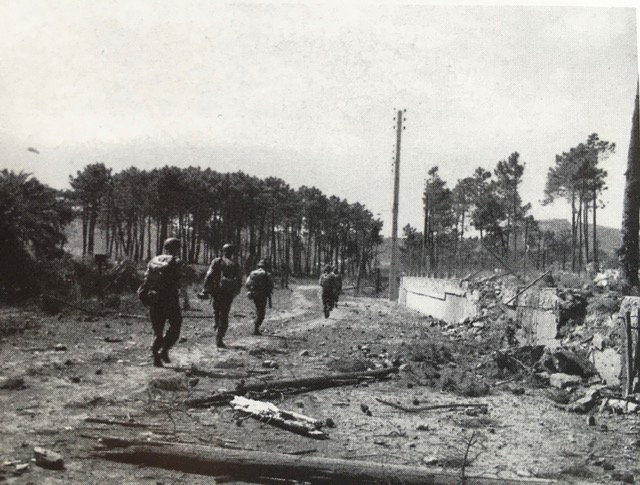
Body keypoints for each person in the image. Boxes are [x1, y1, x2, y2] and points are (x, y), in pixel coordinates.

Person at [138, 237, 184, 368]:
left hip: (154, 298)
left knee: (157, 330)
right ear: (177, 249)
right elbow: (180, 282)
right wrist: (185, 300)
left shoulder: (154, 260)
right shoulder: (177, 262)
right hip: (170, 299)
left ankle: (156, 355)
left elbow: (146, 278)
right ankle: (164, 350)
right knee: (176, 325)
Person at [199, 243, 242, 348]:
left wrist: (205, 289)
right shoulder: (235, 264)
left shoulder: (217, 261)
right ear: (232, 253)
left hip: (216, 292)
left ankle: (216, 326)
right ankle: (220, 336)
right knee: (224, 314)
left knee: (216, 311)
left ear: (223, 251)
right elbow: (239, 280)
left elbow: (208, 275)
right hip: (228, 293)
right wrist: (236, 291)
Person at [246, 259, 274, 335]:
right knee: (261, 312)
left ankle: (256, 328)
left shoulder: (253, 273)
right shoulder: (267, 274)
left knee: (258, 309)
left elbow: (247, 283)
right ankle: (256, 328)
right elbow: (271, 285)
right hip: (262, 295)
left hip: (254, 294)